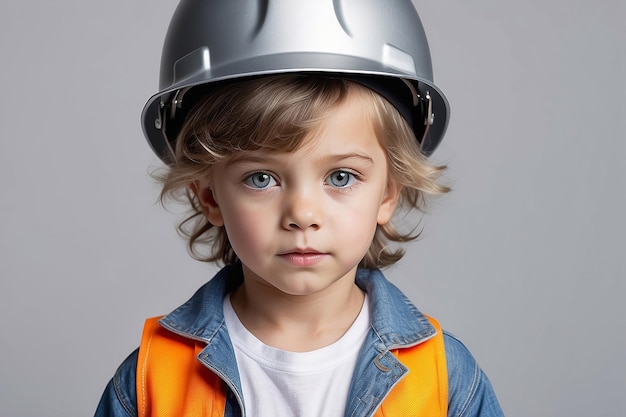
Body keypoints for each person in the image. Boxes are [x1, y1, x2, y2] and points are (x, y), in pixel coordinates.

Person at [96, 0, 504, 416]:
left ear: (388, 192)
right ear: (209, 196)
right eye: (261, 178)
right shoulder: (151, 381)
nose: (302, 214)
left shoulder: (444, 380)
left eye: (341, 177)